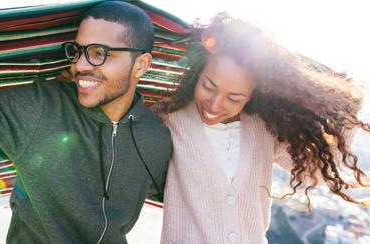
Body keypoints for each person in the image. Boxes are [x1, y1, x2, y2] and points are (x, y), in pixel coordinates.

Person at [0, 1, 172, 243]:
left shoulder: (158, 138)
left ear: (141, 65)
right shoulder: (39, 108)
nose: (80, 66)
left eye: (99, 53)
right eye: (77, 52)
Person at [154, 13, 369, 243]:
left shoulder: (264, 130)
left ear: (252, 95)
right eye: (208, 86)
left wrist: (346, 115)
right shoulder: (170, 117)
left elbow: (313, 174)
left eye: (234, 98)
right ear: (197, 74)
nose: (214, 104)